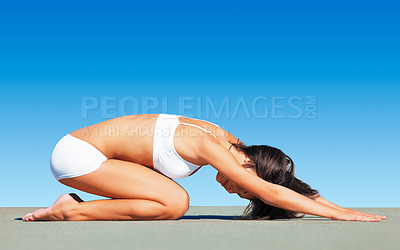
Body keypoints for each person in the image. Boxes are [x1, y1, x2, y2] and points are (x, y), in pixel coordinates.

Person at [23, 113, 386, 222]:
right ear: (248, 164)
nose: (232, 188)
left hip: (96, 155)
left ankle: (71, 207)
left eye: (240, 190)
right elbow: (271, 190)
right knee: (174, 203)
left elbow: (285, 183)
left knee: (172, 200)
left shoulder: (233, 144)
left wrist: (335, 205)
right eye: (243, 185)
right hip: (78, 156)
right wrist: (343, 217)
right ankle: (70, 211)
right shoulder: (210, 145)